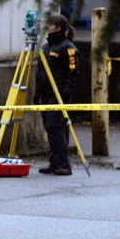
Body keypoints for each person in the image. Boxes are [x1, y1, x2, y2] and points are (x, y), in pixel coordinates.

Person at [33, 14, 79, 176]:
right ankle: (54, 162)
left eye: (51, 24)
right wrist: (37, 93)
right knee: (50, 128)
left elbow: (73, 74)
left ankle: (64, 165)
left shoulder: (68, 48)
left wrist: (66, 94)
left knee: (54, 127)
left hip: (58, 95)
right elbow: (41, 72)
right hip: (46, 94)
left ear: (58, 27)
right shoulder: (47, 47)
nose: (48, 27)